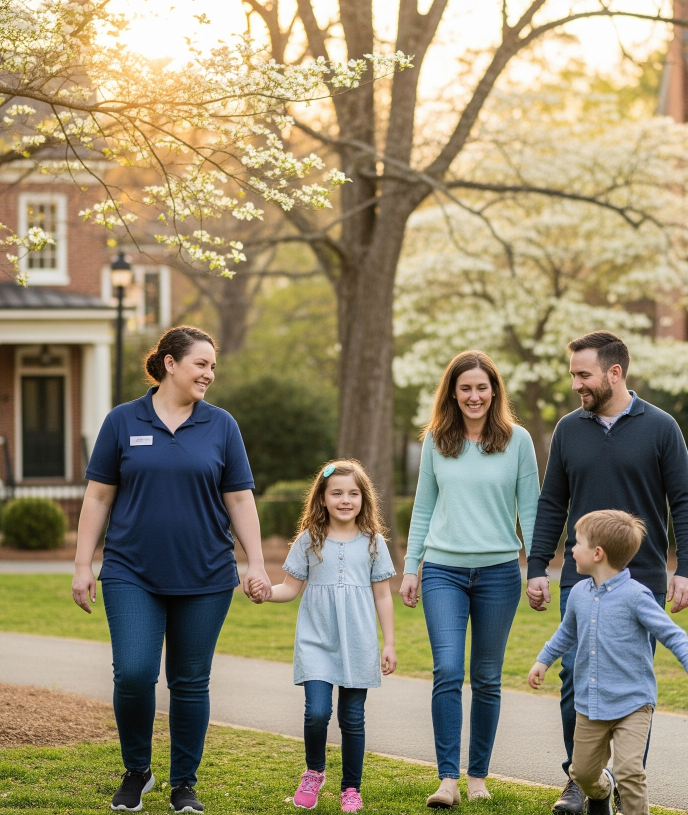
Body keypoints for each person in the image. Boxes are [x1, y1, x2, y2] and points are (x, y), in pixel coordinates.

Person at [72, 326, 272, 815]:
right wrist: (83, 564)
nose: (209, 373)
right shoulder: (122, 421)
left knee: (189, 680)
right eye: (201, 364)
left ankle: (184, 782)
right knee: (134, 674)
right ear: (170, 364)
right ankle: (137, 771)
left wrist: (257, 563)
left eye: (212, 366)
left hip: (206, 574)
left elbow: (240, 498)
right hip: (130, 570)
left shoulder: (221, 425)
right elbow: (99, 495)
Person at [525, 330, 688, 815]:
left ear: (614, 372)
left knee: (628, 682)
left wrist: (686, 568)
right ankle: (581, 780)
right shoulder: (568, 429)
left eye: (584, 375)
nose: (577, 384)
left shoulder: (661, 427)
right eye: (574, 375)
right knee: (574, 679)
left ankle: (627, 784)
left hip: (640, 579)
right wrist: (537, 565)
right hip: (579, 580)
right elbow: (551, 503)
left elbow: (683, 500)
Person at [400, 350, 540, 808]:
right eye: (465, 388)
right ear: (453, 393)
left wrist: (536, 569)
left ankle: (478, 774)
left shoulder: (517, 441)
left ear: (494, 391)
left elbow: (531, 509)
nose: (474, 396)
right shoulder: (437, 440)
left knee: (486, 676)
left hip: (500, 573)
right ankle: (447, 779)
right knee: (447, 670)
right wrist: (411, 567)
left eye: (482, 387)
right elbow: (422, 508)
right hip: (443, 570)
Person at [528, 510, 688, 815]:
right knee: (583, 773)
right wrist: (543, 661)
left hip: (633, 703)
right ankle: (602, 791)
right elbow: (566, 634)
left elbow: (671, 634)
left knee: (629, 772)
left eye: (578, 542)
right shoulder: (577, 594)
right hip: (591, 704)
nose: (571, 547)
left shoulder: (637, 596)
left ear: (597, 554)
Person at [250, 459, 396, 814]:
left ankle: (351, 788)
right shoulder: (309, 540)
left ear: (364, 499)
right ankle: (314, 772)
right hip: (316, 641)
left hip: (359, 641)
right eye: (337, 493)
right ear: (323, 498)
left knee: (352, 718)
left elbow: (382, 595)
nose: (345, 500)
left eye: (353, 493)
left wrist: (389, 643)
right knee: (317, 712)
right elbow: (289, 587)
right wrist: (266, 592)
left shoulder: (374, 543)